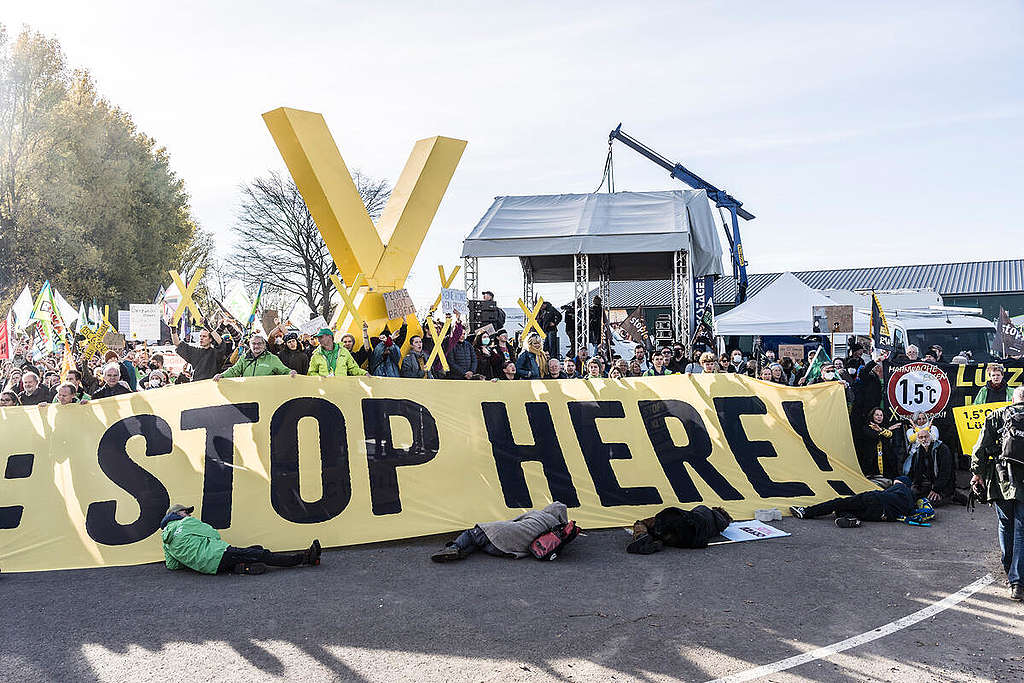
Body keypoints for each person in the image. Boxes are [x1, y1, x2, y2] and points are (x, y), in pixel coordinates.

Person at [970, 385, 1024, 601]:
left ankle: (1008, 567)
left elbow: (980, 448)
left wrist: (977, 474)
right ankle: (1018, 581)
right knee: (1021, 527)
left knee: (1005, 524)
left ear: (1013, 399)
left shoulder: (997, 416)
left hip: (1001, 477)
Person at [161, 503, 321, 575]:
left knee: (255, 549)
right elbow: (215, 534)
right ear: (177, 514)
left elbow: (173, 565)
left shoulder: (165, 539)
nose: (189, 514)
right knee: (262, 554)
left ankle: (241, 567)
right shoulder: (187, 522)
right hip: (217, 554)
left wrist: (193, 556)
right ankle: (305, 558)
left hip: (206, 568)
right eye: (185, 512)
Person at [430, 502, 568, 562]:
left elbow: (512, 522)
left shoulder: (538, 514)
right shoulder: (555, 532)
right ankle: (460, 553)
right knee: (482, 542)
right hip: (509, 551)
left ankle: (454, 548)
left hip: (501, 539)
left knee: (473, 533)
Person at [790, 477, 915, 527]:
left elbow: (885, 494)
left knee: (838, 502)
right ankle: (851, 519)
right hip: (881, 515)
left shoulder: (901, 487)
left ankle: (806, 511)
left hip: (875, 500)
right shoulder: (910, 502)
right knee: (842, 509)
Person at [627, 506, 732, 554]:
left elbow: (690, 515)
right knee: (669, 535)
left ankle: (642, 536)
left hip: (680, 523)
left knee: (643, 523)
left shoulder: (705, 509)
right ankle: (657, 541)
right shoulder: (716, 530)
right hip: (689, 542)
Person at [906, 429, 956, 505]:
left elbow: (946, 472)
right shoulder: (918, 451)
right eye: (921, 437)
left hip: (941, 484)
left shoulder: (942, 448)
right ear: (918, 439)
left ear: (931, 437)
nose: (924, 439)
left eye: (926, 437)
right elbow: (913, 471)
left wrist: (936, 489)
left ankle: (952, 495)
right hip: (926, 482)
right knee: (911, 497)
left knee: (932, 502)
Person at [215, 335, 298, 380]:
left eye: (259, 344)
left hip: (265, 394)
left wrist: (291, 372)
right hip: (247, 393)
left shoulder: (272, 358)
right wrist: (222, 376)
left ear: (264, 345)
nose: (256, 346)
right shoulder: (244, 358)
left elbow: (283, 370)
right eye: (253, 344)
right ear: (250, 345)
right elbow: (234, 370)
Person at [857, 407, 902, 480]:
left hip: (886, 459)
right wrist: (886, 430)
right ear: (872, 416)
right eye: (877, 415)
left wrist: (881, 430)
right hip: (872, 459)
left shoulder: (884, 426)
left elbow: (890, 435)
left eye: (881, 415)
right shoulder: (866, 427)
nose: (879, 417)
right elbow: (874, 436)